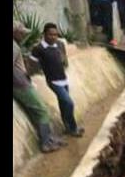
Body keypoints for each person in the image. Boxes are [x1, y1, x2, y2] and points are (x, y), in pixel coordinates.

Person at [14, 22, 64, 153]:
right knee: (42, 110)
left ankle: (50, 138)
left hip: (21, 82)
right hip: (20, 84)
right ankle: (46, 143)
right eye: (20, 32)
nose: (23, 34)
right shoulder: (13, 46)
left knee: (39, 110)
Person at [30, 23, 84, 137]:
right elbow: (32, 64)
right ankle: (73, 128)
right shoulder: (38, 48)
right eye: (50, 34)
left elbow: (64, 58)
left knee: (63, 104)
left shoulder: (59, 44)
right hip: (53, 81)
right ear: (44, 34)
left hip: (63, 79)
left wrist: (64, 63)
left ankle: (67, 128)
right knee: (69, 103)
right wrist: (32, 74)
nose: (53, 37)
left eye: (55, 34)